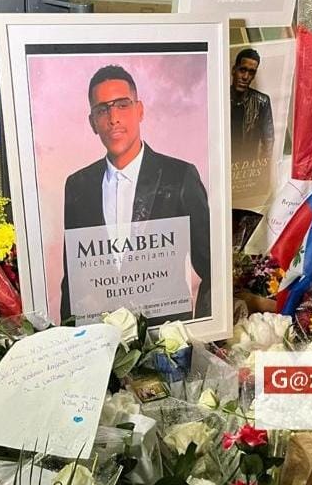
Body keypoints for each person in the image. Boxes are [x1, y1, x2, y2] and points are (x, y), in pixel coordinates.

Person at [60, 64, 211, 323]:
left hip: (168, 341)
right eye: (102, 109)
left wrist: (204, 334)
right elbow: (73, 279)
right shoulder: (77, 185)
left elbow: (212, 270)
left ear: (139, 110)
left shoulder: (180, 176)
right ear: (93, 122)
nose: (113, 117)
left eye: (122, 104)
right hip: (102, 344)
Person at [230, 48, 275, 171]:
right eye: (242, 70)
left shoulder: (262, 102)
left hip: (248, 171)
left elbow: (268, 142)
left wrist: (259, 172)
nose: (245, 77)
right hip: (224, 169)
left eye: (251, 72)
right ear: (234, 70)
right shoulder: (220, 98)